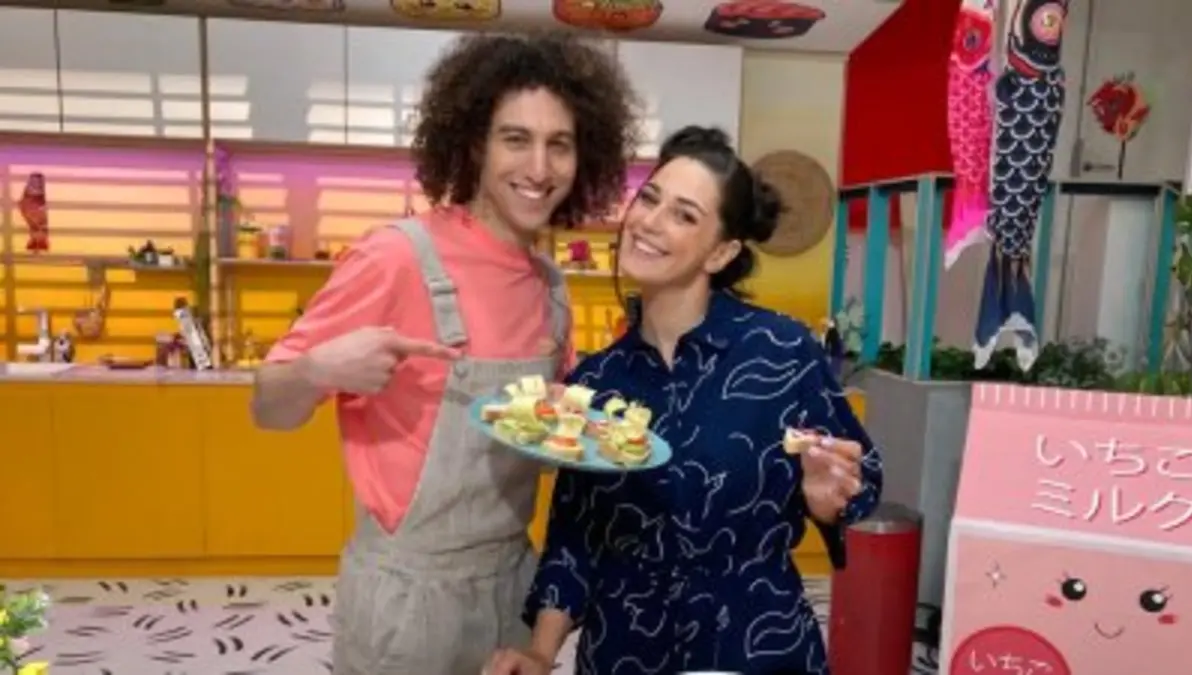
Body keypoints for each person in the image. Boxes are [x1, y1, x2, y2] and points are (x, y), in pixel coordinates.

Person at [250, 32, 638, 674]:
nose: (539, 168)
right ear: (475, 143)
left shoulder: (550, 287)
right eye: (515, 138)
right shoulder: (396, 256)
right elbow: (269, 408)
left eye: (559, 144)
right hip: (407, 599)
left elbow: (543, 449)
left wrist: (602, 427)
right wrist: (317, 370)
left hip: (514, 583)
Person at [489, 127, 884, 675]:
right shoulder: (596, 381)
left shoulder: (781, 351)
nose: (650, 222)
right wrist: (540, 651)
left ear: (722, 252)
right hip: (624, 653)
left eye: (684, 215)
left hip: (753, 645)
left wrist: (826, 500)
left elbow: (863, 481)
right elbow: (574, 539)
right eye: (649, 198)